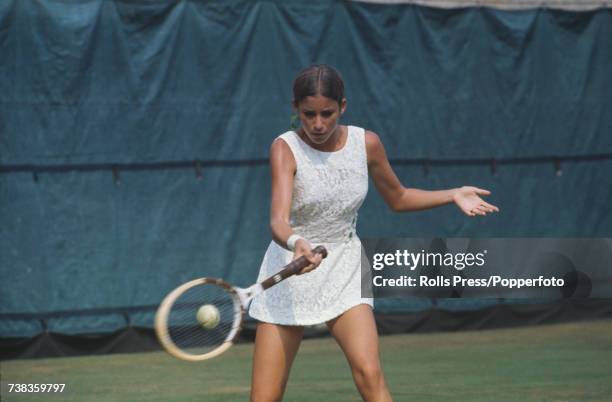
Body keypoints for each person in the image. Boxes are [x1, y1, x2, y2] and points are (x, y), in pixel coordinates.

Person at [248, 64, 499, 402]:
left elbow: (399, 197)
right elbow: (278, 220)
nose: (318, 123)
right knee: (265, 397)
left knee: (370, 374)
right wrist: (297, 243)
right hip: (289, 269)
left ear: (343, 107)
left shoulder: (366, 144)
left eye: (327, 113)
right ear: (296, 109)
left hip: (346, 268)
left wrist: (452, 193)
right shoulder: (285, 147)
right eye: (309, 114)